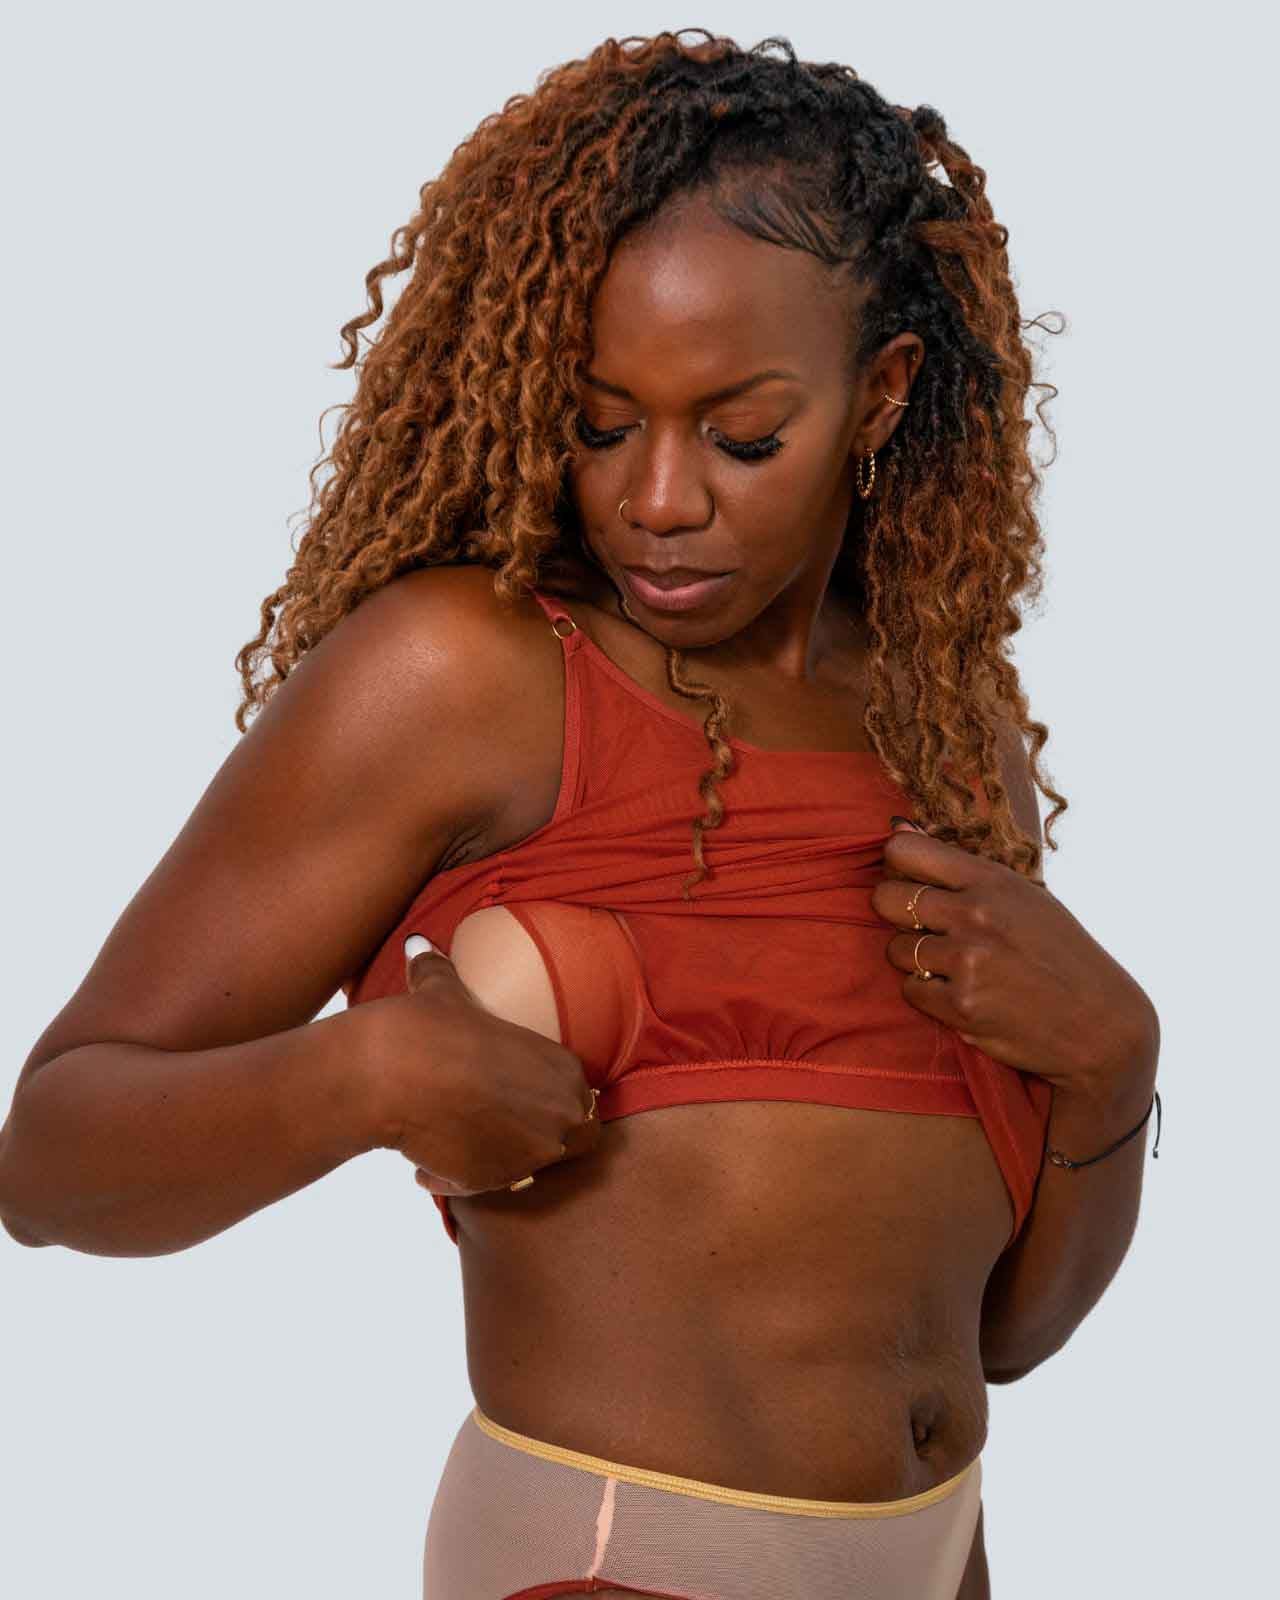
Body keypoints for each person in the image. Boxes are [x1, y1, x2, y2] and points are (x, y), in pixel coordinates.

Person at [0, 29, 1162, 1600]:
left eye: (742, 435)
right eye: (601, 422)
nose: (657, 500)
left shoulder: (953, 740)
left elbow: (1006, 1334)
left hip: (944, 1556)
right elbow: (51, 1162)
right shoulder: (464, 680)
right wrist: (362, 1077)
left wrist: (1112, 1066)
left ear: (882, 394)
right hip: (614, 1560)